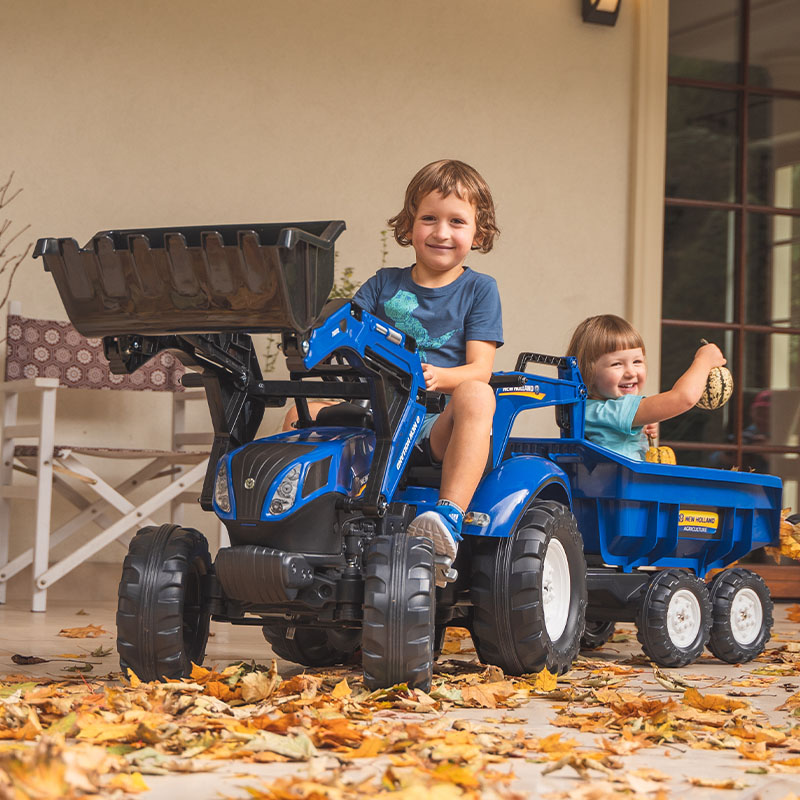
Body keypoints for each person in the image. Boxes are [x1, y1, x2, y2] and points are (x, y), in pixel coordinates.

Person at [351, 159, 503, 584]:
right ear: (409, 224)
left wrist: (435, 377)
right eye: (429, 219)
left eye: (457, 221)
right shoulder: (383, 284)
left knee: (477, 394)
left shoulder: (479, 290)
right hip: (374, 415)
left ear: (479, 233)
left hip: (432, 425)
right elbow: (347, 333)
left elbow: (480, 369)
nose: (441, 232)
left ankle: (448, 517)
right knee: (301, 410)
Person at [566, 314, 725, 461]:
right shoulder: (610, 411)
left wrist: (638, 424)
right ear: (587, 371)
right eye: (616, 364)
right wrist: (703, 361)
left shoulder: (591, 410)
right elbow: (683, 398)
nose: (631, 372)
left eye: (637, 361)